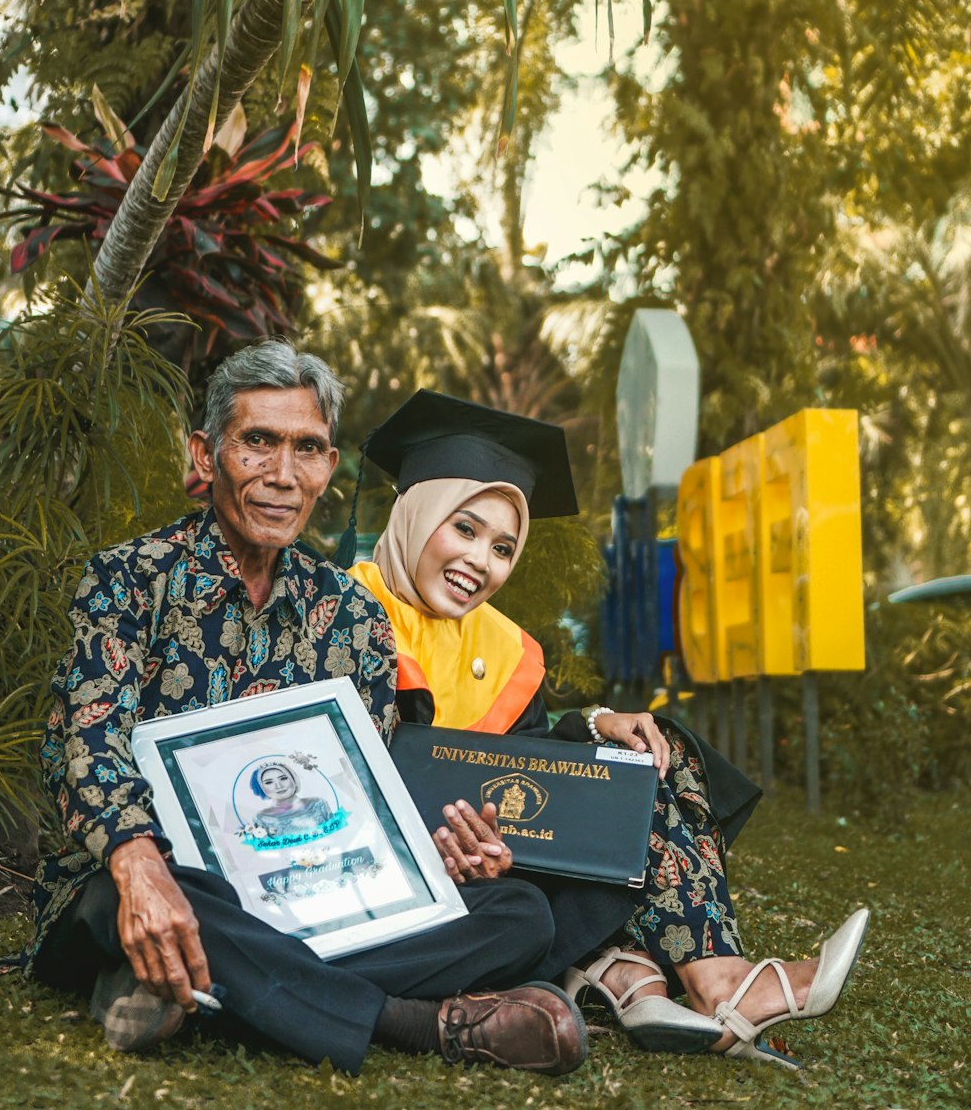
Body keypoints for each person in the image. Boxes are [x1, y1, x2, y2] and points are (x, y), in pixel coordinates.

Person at [27, 343, 587, 1078]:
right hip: (152, 875)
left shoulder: (351, 614)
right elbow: (85, 746)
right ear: (205, 452)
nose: (283, 475)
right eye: (258, 441)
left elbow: (365, 792)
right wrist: (140, 865)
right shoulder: (127, 579)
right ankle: (418, 1023)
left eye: (309, 449)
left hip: (301, 888)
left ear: (329, 466)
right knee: (148, 886)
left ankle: (196, 984)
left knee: (520, 913)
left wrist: (440, 851)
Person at [347, 390, 870, 1068]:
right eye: (465, 527)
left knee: (650, 751)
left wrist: (598, 721)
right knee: (536, 895)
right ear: (416, 512)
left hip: (489, 856)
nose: (482, 561)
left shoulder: (505, 647)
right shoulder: (346, 611)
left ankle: (675, 973)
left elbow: (521, 759)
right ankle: (651, 972)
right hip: (397, 868)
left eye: (504, 546)